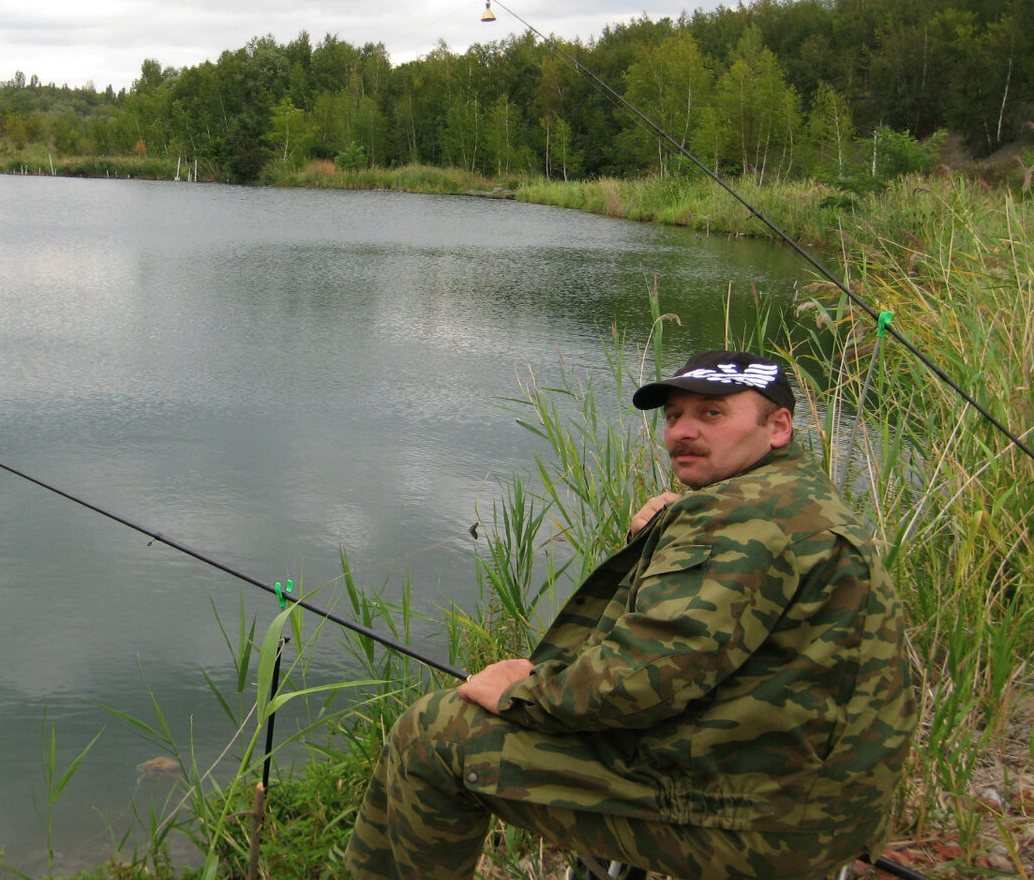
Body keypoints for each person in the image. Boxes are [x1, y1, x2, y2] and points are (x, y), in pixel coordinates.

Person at [346, 350, 917, 880]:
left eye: (712, 413)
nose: (683, 432)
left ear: (779, 427)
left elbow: (638, 682)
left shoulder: (739, 517)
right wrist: (671, 528)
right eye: (674, 416)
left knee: (434, 733)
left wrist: (520, 692)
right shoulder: (798, 493)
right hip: (822, 799)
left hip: (767, 825)